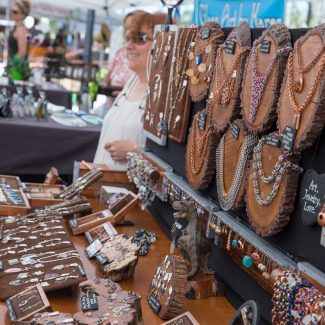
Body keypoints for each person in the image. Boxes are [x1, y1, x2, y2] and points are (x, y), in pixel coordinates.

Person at [93, 11, 167, 170]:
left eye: (140, 38)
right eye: (128, 38)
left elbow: (170, 164)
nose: (128, 45)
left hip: (128, 192)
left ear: (162, 45)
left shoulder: (165, 94)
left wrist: (135, 151)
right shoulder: (132, 82)